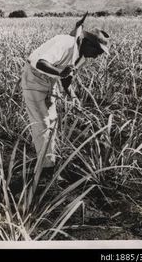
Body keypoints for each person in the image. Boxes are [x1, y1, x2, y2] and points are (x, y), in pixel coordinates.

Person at [21, 18, 110, 179]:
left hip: (50, 80)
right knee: (42, 124)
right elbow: (41, 63)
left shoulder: (82, 56)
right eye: (97, 51)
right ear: (88, 43)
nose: (96, 57)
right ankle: (46, 170)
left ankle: (48, 162)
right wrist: (60, 73)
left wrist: (72, 95)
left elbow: (67, 76)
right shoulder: (65, 43)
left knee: (52, 122)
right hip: (35, 77)